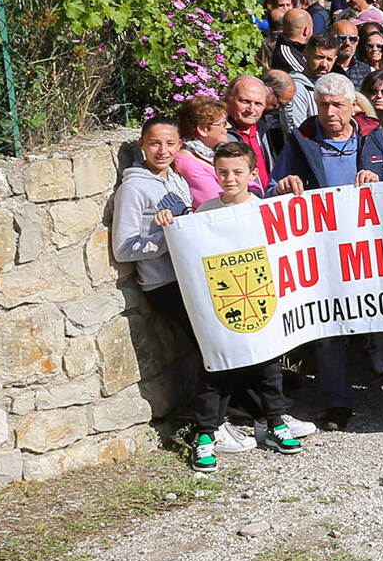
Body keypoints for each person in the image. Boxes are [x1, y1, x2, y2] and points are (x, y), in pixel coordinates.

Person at [275, 74, 383, 435]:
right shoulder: (301, 140)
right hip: (324, 255)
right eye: (323, 105)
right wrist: (284, 186)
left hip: (372, 254)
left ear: (352, 106)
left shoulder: (374, 136)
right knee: (330, 332)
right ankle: (337, 403)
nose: (329, 112)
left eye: (337, 104)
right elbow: (274, 188)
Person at [111, 118, 228, 469]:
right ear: (142, 145)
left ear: (180, 146)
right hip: (163, 285)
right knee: (212, 348)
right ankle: (207, 428)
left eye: (170, 144)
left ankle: (222, 420)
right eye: (154, 144)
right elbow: (124, 248)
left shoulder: (175, 179)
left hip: (189, 277)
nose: (162, 151)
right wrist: (167, 238)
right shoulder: (133, 189)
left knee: (219, 346)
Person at [189, 143, 305, 455]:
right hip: (222, 304)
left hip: (259, 301)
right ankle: (205, 433)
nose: (230, 178)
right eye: (223, 172)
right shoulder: (203, 213)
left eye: (238, 172)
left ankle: (275, 423)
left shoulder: (264, 211)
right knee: (216, 371)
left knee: (267, 368)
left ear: (252, 174)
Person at [222, 74, 286, 194]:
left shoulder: (265, 130)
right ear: (228, 99)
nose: (251, 109)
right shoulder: (219, 134)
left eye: (258, 104)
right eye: (245, 101)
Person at [173, 96, 228, 206]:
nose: (228, 127)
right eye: (223, 123)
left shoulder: (212, 154)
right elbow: (214, 202)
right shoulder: (186, 162)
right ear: (203, 130)